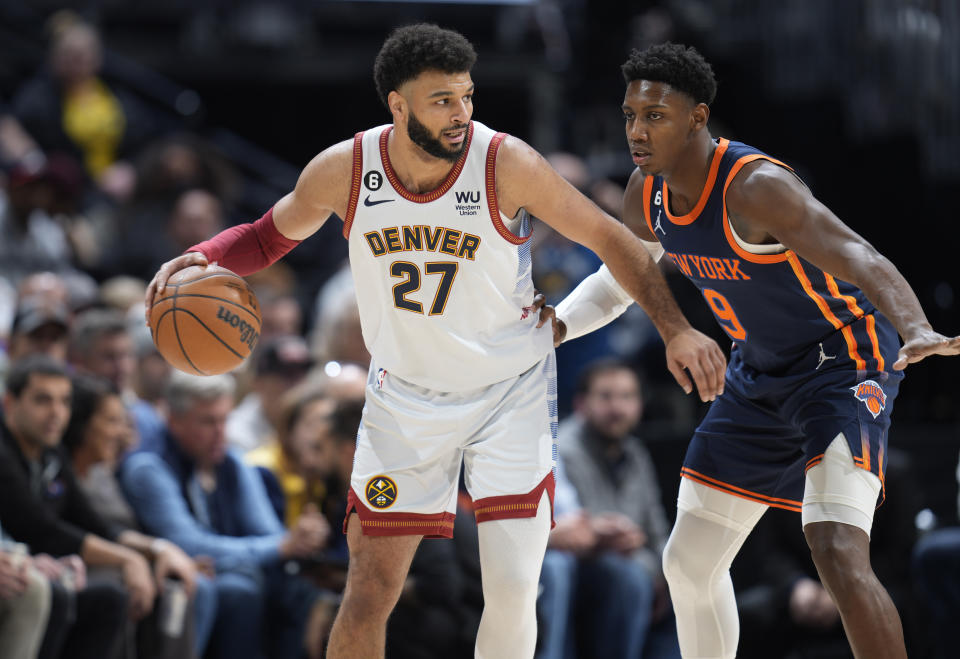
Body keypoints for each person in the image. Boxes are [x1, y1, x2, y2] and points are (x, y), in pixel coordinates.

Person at [144, 24, 725, 659]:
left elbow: (615, 241)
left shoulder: (505, 162)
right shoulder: (346, 169)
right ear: (397, 105)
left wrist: (676, 328)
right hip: (407, 402)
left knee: (512, 587)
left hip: (510, 395)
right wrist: (200, 256)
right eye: (442, 100)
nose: (461, 114)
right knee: (368, 588)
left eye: (467, 96)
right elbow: (264, 238)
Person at [544, 42, 960, 659]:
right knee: (687, 563)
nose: (636, 130)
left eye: (654, 116)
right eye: (630, 114)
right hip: (757, 372)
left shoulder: (759, 188)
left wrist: (917, 325)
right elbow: (620, 281)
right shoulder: (644, 192)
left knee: (836, 549)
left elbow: (862, 257)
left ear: (697, 117)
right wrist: (551, 326)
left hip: (841, 361)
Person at [120, 371, 330, 659]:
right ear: (174, 420)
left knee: (299, 587)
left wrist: (300, 538)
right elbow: (190, 544)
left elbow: (268, 533)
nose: (221, 431)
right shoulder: (149, 467)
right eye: (208, 421)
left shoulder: (230, 459)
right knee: (240, 591)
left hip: (227, 570)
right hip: (172, 576)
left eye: (224, 419)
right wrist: (283, 545)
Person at [556, 359, 679, 658]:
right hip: (581, 561)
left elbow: (656, 531)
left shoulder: (636, 453)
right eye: (606, 396)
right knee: (627, 578)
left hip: (633, 561)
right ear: (581, 403)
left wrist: (665, 574)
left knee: (688, 584)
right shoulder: (563, 447)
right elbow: (579, 524)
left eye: (627, 397)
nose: (617, 408)